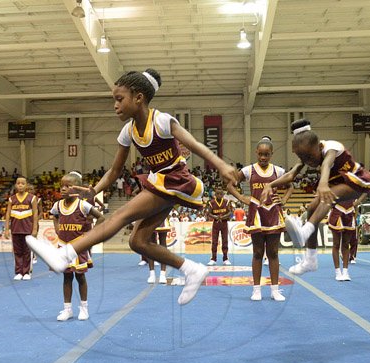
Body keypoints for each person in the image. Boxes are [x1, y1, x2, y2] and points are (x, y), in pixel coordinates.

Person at [27, 68, 237, 305]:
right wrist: (94, 190)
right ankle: (191, 269)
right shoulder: (128, 131)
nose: (115, 105)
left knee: (121, 214)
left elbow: (195, 144)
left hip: (176, 180)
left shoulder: (162, 120)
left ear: (138, 98)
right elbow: (115, 171)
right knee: (137, 242)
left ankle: (65, 254)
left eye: (119, 99)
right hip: (160, 181)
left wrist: (220, 165)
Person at [261, 119, 370, 275]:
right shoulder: (308, 154)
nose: (309, 161)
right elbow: (290, 175)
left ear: (319, 146)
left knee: (329, 196)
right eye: (303, 158)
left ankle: (305, 231)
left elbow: (327, 164)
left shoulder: (331, 147)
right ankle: (310, 260)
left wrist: (322, 183)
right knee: (312, 208)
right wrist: (270, 185)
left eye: (310, 157)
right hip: (336, 183)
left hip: (358, 180)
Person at [227, 136, 292, 301]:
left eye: (267, 154)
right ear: (256, 152)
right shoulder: (249, 170)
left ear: (271, 154)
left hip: (273, 213)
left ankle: (275, 290)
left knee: (273, 252)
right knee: (257, 252)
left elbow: (291, 185)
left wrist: (283, 200)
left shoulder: (278, 171)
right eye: (261, 154)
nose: (263, 158)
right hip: (256, 213)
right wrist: (241, 198)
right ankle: (256, 290)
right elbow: (230, 184)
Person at [51, 172, 104, 321]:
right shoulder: (58, 205)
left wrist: (91, 235)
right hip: (63, 246)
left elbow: (101, 217)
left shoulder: (83, 205)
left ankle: (84, 308)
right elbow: (54, 215)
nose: (63, 189)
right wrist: (56, 227)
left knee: (80, 276)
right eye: (61, 186)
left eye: (67, 186)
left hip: (78, 246)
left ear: (77, 189)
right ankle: (67, 309)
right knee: (67, 277)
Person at [4, 176, 38, 280]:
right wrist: (6, 229)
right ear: (15, 185)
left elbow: (35, 214)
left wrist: (35, 228)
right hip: (15, 229)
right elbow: (8, 214)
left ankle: (26, 272)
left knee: (27, 251)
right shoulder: (11, 199)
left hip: (27, 229)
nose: (20, 185)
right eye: (18, 183)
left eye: (22, 183)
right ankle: (18, 271)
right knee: (17, 251)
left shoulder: (32, 198)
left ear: (26, 185)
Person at [327, 200, 357, 281]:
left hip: (350, 211)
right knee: (336, 244)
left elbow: (366, 190)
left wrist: (357, 202)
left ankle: (345, 272)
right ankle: (337, 272)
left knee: (346, 244)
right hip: (337, 211)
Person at [207, 187, 233, 266]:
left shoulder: (226, 202)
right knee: (214, 242)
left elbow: (230, 212)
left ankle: (225, 258)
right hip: (216, 224)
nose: (219, 195)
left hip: (224, 223)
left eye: (220, 194)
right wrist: (215, 217)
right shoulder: (211, 202)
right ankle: (213, 259)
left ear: (223, 195)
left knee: (225, 241)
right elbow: (209, 213)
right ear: (215, 195)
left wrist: (223, 217)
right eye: (217, 194)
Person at [146, 218, 171, 284]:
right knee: (150, 244)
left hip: (162, 215)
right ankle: (152, 274)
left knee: (163, 244)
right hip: (151, 217)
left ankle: (162, 274)